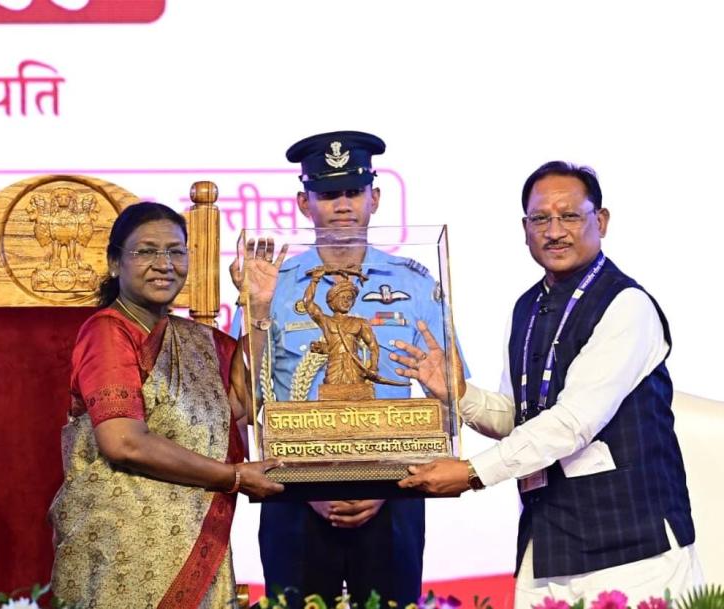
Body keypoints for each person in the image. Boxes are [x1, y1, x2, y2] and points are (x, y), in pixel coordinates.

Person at [396, 161, 703, 607]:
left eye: (570, 216)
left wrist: (473, 474)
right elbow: (520, 419)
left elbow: (571, 423)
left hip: (634, 547)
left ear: (601, 221)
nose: (554, 231)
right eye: (540, 219)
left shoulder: (627, 306)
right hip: (549, 542)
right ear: (525, 229)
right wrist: (458, 395)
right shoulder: (527, 306)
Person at [231, 131, 449, 608]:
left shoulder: (414, 282)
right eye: (328, 195)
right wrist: (257, 309)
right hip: (293, 494)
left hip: (395, 491)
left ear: (375, 198)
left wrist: (391, 483)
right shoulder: (271, 283)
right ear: (304, 204)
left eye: (353, 192)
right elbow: (243, 404)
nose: (343, 205)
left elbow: (447, 394)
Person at [48, 202, 284, 608]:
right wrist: (232, 476)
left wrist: (258, 307)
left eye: (176, 251)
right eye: (146, 251)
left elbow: (242, 403)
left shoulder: (196, 339)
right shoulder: (107, 333)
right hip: (119, 552)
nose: (164, 264)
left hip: (195, 542)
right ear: (115, 262)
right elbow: (123, 442)